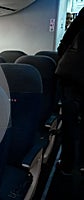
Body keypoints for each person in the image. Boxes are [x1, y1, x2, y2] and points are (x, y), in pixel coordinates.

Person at [57, 7, 84, 175]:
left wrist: (62, 60)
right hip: (75, 76)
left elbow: (66, 40)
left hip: (73, 74)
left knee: (69, 120)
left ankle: (67, 163)